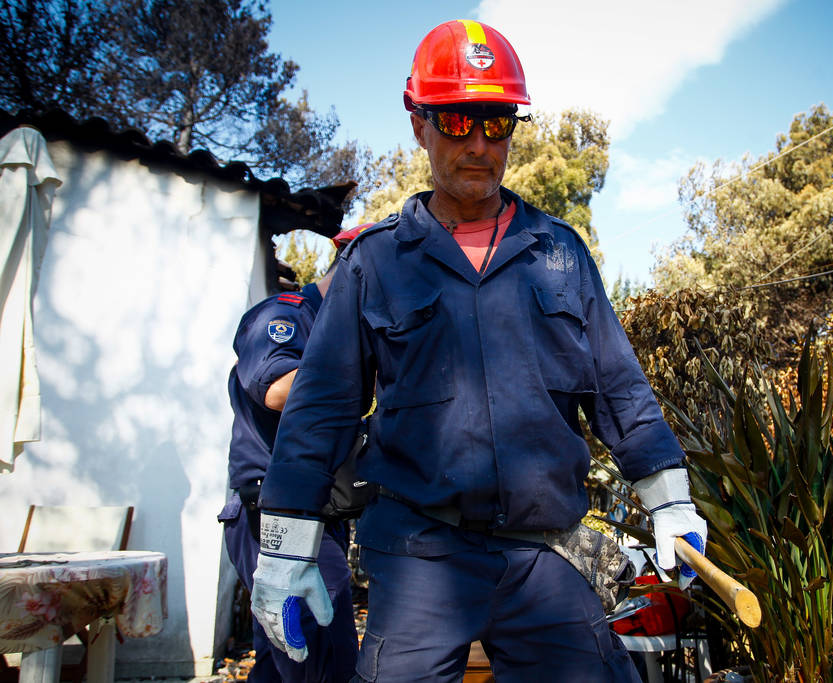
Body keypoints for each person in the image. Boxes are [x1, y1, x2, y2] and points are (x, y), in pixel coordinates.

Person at [250, 19, 708, 682]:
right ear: (419, 124)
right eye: (457, 123)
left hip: (545, 556)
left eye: (496, 123)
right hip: (419, 557)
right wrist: (284, 549)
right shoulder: (375, 263)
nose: (478, 145)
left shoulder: (559, 255)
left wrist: (669, 498)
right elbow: (319, 410)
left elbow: (619, 389)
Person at [218, 229, 365, 683]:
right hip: (276, 519)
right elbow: (279, 390)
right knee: (325, 663)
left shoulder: (342, 328)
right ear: (354, 269)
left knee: (283, 664)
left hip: (320, 518)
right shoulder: (287, 315)